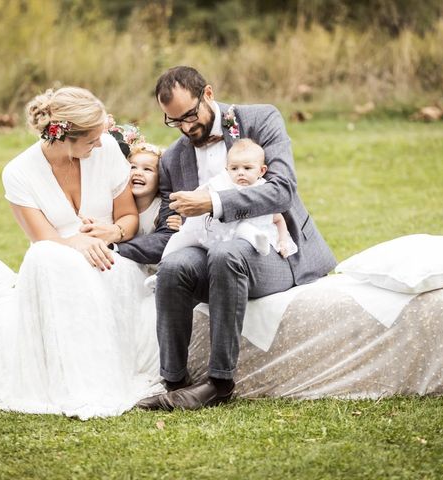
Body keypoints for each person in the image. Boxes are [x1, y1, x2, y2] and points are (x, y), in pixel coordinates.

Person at [118, 66, 337, 411]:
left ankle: (220, 382)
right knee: (174, 267)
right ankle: (174, 382)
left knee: (226, 255)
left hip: (273, 251)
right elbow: (169, 230)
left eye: (190, 115)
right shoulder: (174, 157)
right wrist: (118, 245)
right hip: (207, 247)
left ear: (208, 94)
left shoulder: (260, 120)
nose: (187, 127)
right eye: (174, 122)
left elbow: (282, 191)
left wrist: (214, 202)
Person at [0, 86, 162, 420]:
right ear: (64, 137)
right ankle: (73, 382)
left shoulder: (107, 149)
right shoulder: (18, 173)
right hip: (56, 266)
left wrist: (114, 231)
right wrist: (77, 243)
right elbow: (43, 239)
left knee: (60, 259)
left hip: (110, 261)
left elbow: (128, 218)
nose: (101, 143)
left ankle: (94, 379)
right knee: (45, 258)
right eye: (92, 140)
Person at [161, 138, 297, 259]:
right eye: (234, 168)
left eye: (247, 168)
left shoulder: (262, 189)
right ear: (227, 169)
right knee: (179, 238)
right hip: (218, 230)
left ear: (261, 170)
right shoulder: (224, 182)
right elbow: (203, 192)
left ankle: (260, 243)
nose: (240, 173)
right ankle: (161, 269)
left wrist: (283, 240)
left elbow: (279, 219)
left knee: (244, 228)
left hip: (241, 232)